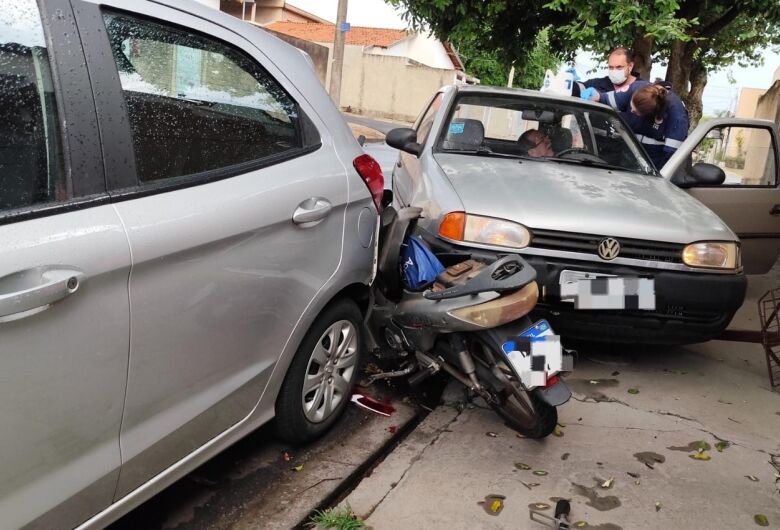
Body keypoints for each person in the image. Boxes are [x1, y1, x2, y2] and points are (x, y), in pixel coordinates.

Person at [621, 84, 689, 168]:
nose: (631, 111)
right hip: (628, 160)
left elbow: (671, 154)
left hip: (654, 167)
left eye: (635, 113)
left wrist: (656, 172)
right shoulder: (638, 89)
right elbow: (606, 98)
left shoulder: (677, 116)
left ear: (650, 114)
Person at [575, 47, 649, 109]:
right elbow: (578, 88)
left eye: (619, 67)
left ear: (630, 66)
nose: (614, 71)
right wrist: (569, 81)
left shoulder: (642, 89)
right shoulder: (598, 84)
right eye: (611, 67)